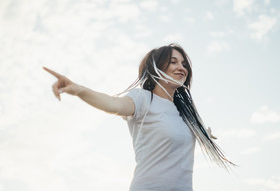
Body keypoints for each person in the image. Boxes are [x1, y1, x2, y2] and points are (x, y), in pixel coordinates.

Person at [43, 43, 235, 191]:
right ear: (158, 67)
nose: (181, 68)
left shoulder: (186, 115)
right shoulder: (143, 98)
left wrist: (202, 133)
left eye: (184, 64)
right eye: (174, 62)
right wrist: (79, 90)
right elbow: (112, 104)